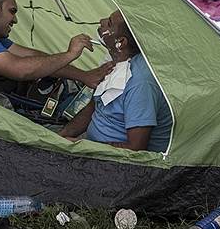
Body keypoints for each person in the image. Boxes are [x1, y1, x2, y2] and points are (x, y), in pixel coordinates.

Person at [59, 10, 172, 152]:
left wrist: (83, 145)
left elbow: (135, 149)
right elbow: (92, 109)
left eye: (109, 23)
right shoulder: (117, 66)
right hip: (94, 147)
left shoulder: (140, 83)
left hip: (117, 163)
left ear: (121, 43)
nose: (102, 21)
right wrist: (59, 137)